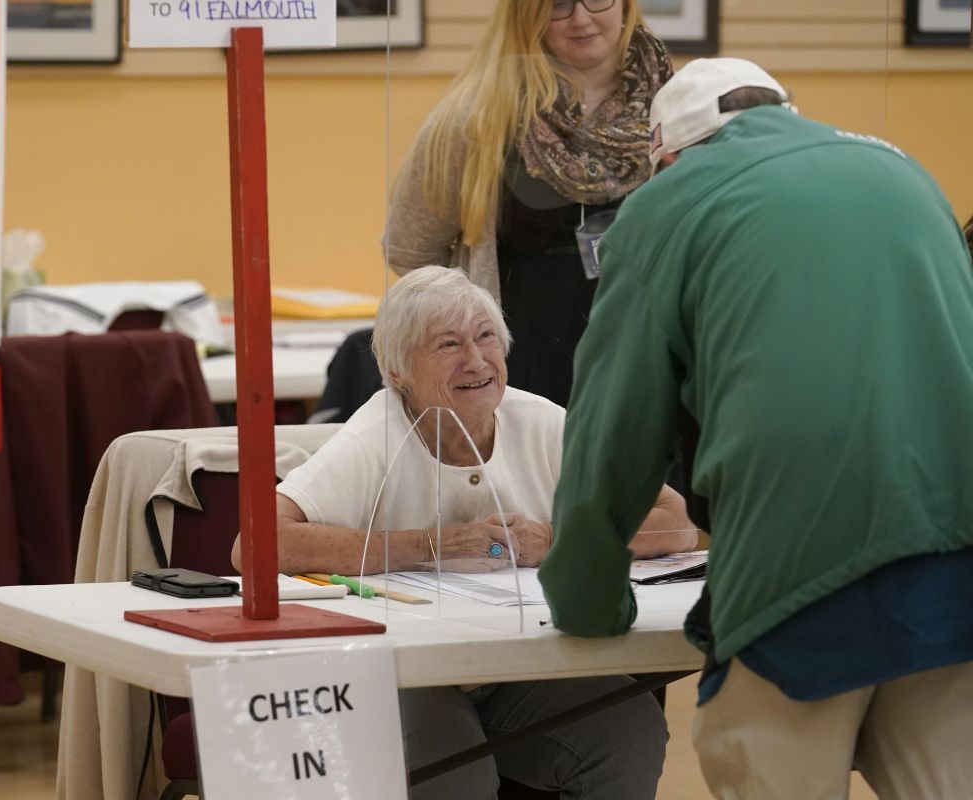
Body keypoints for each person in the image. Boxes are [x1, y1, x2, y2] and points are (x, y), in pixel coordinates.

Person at [539, 57, 973, 799]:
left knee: (766, 760)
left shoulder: (668, 203)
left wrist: (586, 596)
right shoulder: (907, 174)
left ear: (668, 156)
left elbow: (613, 432)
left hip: (799, 554)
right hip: (955, 550)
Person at [234, 266, 696, 799]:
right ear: (398, 371)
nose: (476, 361)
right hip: (403, 673)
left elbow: (676, 520)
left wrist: (552, 539)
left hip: (515, 668)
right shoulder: (375, 435)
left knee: (625, 731)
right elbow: (256, 545)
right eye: (448, 345)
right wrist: (429, 546)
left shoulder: (540, 421)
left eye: (486, 338)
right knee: (454, 768)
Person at [385, 0, 672, 407]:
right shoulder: (476, 117)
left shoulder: (677, 111)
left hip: (646, 369)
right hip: (523, 377)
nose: (582, 18)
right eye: (558, 4)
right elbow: (410, 248)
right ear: (526, 15)